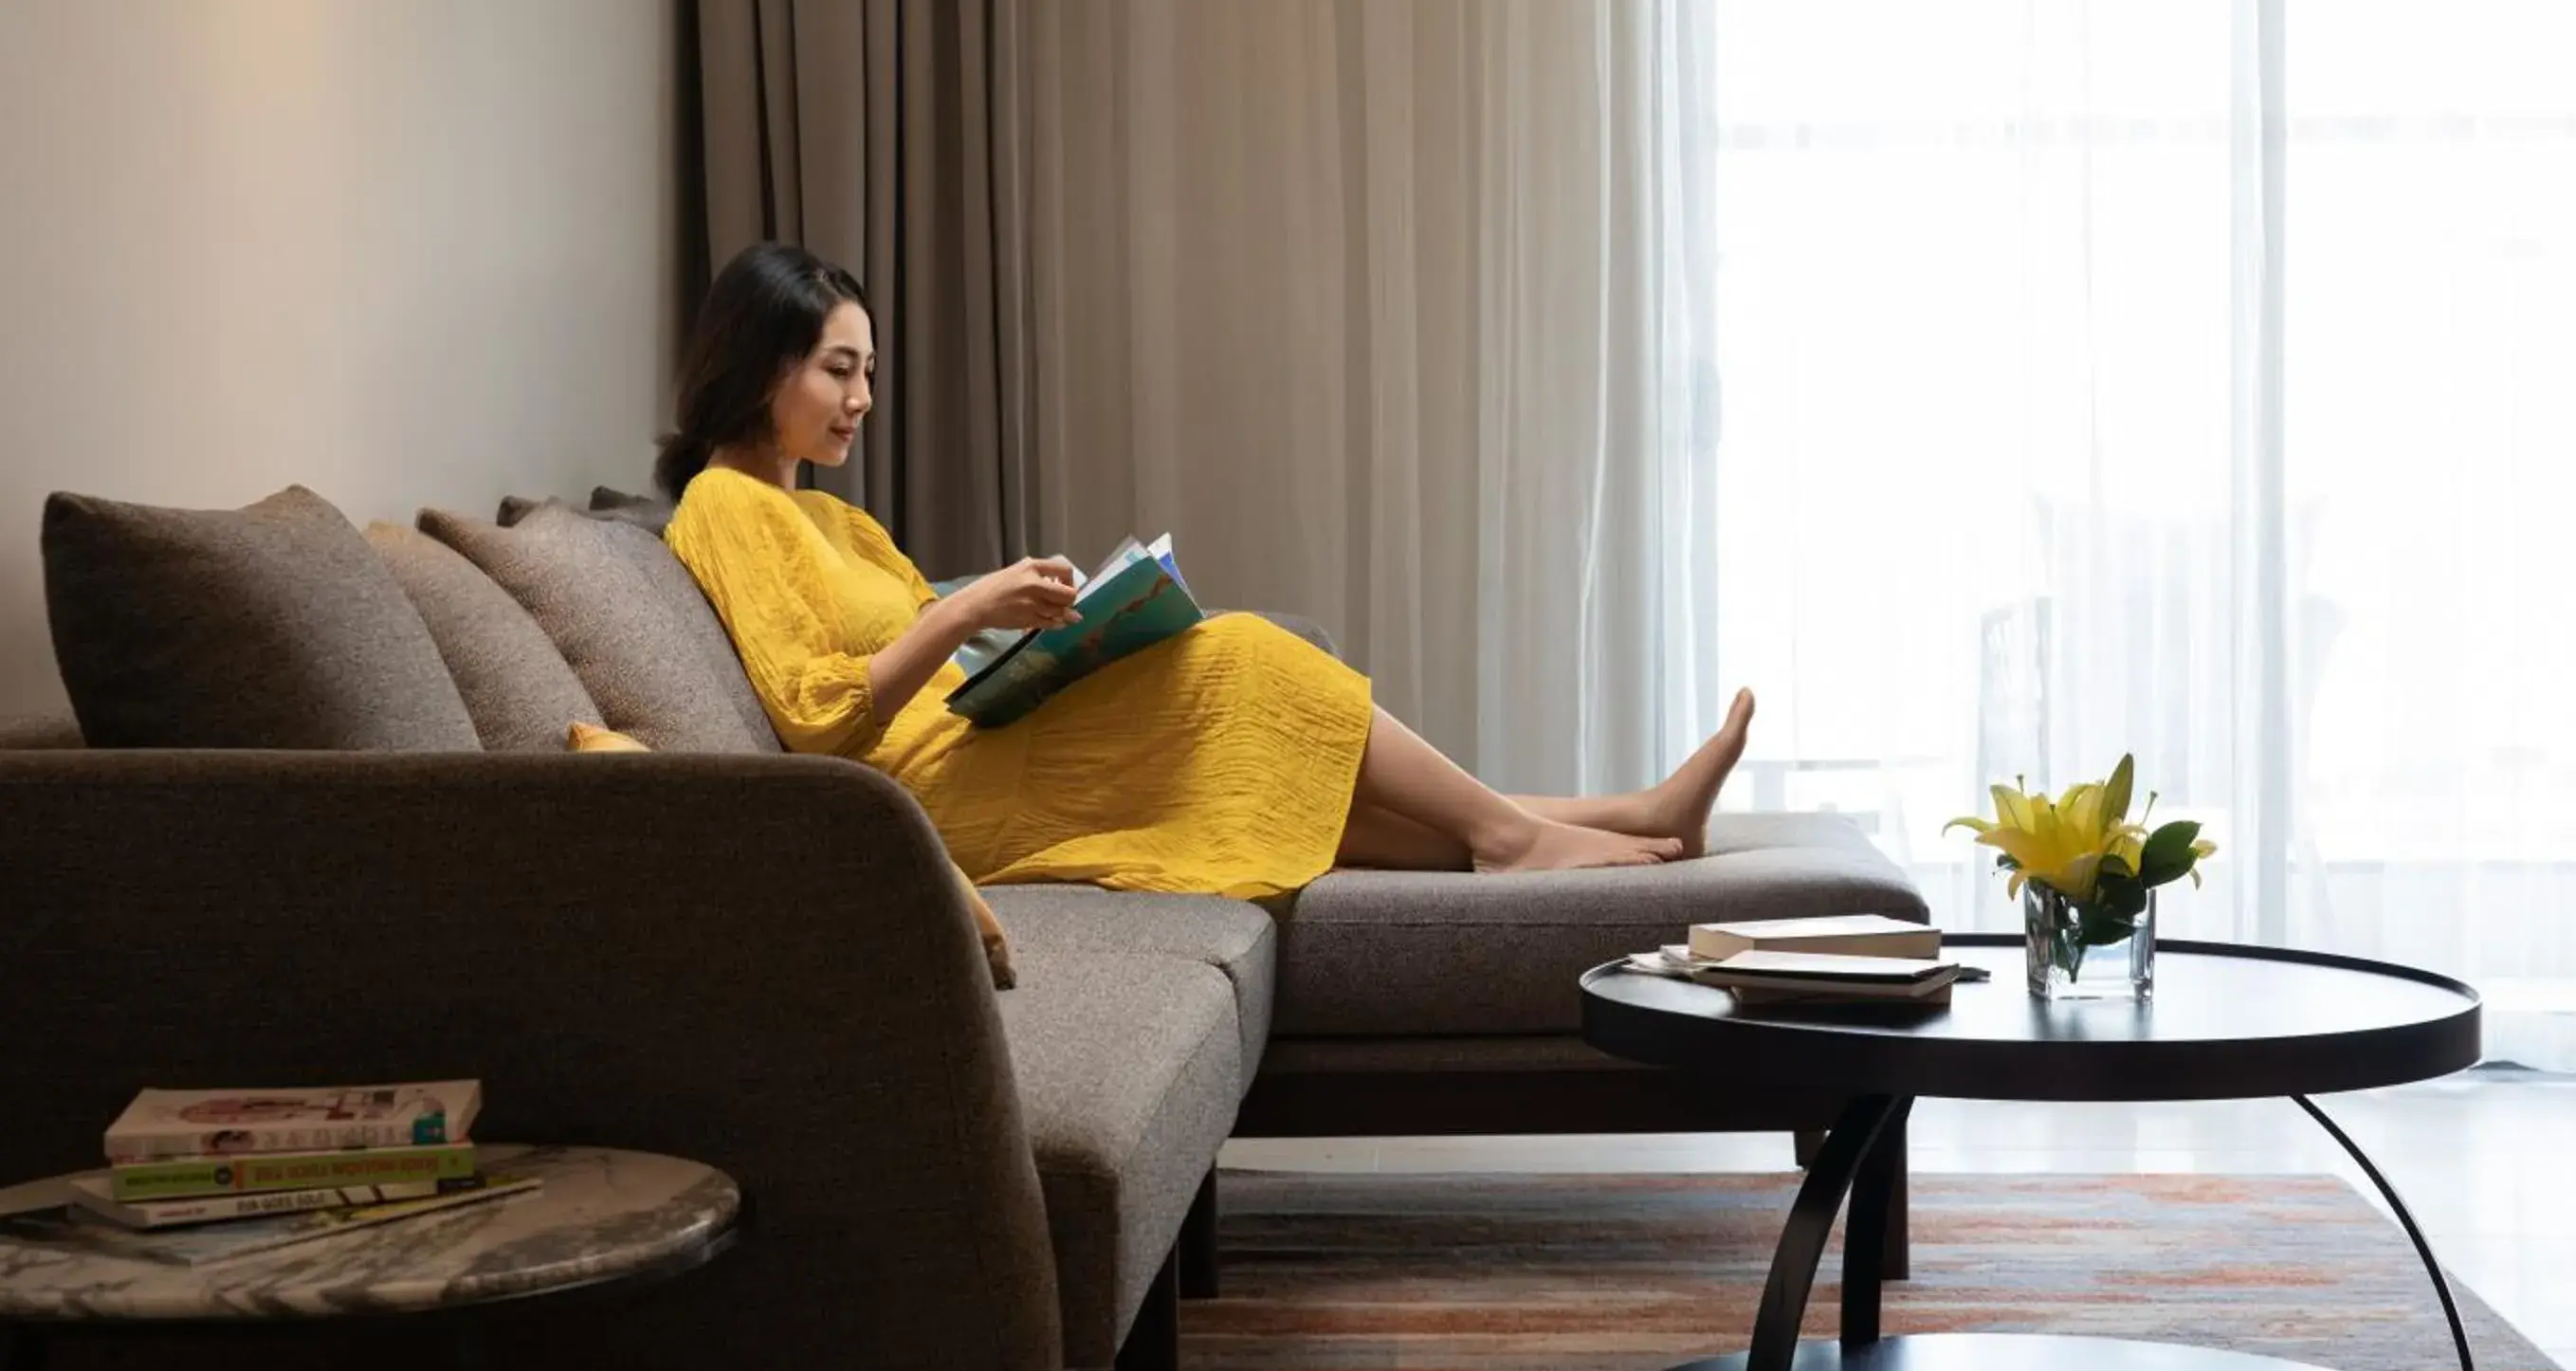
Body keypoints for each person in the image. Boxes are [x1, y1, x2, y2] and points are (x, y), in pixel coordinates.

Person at [656, 245, 1756, 905]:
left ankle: (1628, 814)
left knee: (1264, 772)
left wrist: (1046, 625)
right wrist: (978, 605)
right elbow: (813, 716)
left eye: (871, 372)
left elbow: (929, 638)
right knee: (1237, 655)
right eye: (840, 370)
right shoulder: (723, 505)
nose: (862, 398)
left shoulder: (830, 517)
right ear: (764, 366)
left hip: (970, 741)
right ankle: (1516, 838)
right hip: (927, 798)